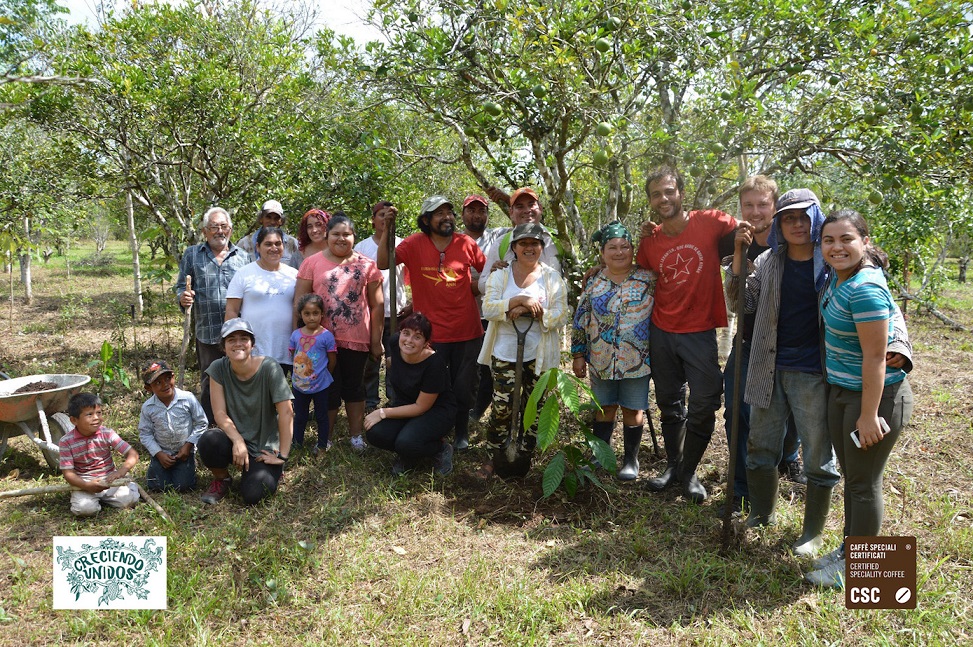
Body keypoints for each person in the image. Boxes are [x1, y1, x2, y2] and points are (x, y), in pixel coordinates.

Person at [725, 188, 843, 550]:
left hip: (814, 372)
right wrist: (738, 261)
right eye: (788, 218)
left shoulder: (832, 262)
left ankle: (812, 533)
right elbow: (740, 305)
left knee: (818, 456)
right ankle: (761, 514)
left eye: (803, 217)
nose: (796, 224)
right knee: (760, 447)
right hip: (768, 366)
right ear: (779, 223)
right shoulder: (769, 262)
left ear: (816, 219)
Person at [805, 209, 915, 589]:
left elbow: (875, 357)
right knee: (854, 478)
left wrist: (868, 415)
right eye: (829, 240)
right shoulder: (841, 280)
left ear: (864, 242)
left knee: (864, 483)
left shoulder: (864, 287)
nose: (837, 247)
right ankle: (852, 550)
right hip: (844, 391)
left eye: (846, 239)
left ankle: (862, 570)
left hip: (874, 399)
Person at [637, 165, 739, 503]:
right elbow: (636, 275)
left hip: (699, 331)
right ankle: (675, 465)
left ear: (681, 192)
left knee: (705, 401)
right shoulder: (650, 243)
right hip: (662, 329)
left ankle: (689, 470)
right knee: (668, 402)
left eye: (669, 191)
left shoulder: (710, 221)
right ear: (650, 201)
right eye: (656, 194)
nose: (663, 199)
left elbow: (751, 228)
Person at [376, 195, 486, 451]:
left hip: (466, 331)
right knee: (429, 387)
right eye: (440, 213)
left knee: (463, 386)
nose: (447, 217)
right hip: (429, 334)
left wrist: (482, 283)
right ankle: (428, 430)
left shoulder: (466, 243)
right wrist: (386, 230)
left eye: (450, 212)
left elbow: (488, 271)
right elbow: (383, 262)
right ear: (426, 220)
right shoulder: (414, 243)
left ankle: (461, 431)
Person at [477, 223, 569, 478]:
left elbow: (561, 314)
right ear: (514, 248)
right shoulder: (500, 275)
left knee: (534, 407)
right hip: (504, 351)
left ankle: (524, 458)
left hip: (538, 354)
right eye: (523, 244)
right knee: (502, 407)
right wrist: (518, 300)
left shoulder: (552, 278)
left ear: (541, 247)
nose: (529, 248)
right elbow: (489, 309)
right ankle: (496, 456)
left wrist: (530, 311)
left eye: (535, 243)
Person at [572, 222, 656, 481]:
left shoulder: (648, 277)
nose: (619, 252)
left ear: (632, 249)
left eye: (625, 246)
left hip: (638, 359)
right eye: (612, 247)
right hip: (601, 357)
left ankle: (631, 460)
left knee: (633, 409)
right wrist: (577, 354)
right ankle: (600, 455)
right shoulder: (594, 280)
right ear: (602, 252)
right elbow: (581, 318)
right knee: (604, 406)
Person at [294, 214, 384, 451]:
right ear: (327, 235)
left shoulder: (367, 265)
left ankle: (356, 436)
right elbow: (299, 302)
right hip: (319, 341)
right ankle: (327, 437)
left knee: (355, 387)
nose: (341, 238)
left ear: (354, 236)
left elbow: (377, 305)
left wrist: (376, 341)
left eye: (347, 234)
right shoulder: (311, 263)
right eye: (336, 234)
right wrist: (300, 337)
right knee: (328, 388)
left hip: (356, 339)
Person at [197, 319, 293, 506]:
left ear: (252, 344)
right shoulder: (218, 368)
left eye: (243, 338)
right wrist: (237, 440)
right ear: (223, 347)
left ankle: (271, 470)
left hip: (263, 445)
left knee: (254, 495)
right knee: (209, 440)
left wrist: (282, 455)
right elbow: (219, 413)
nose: (238, 343)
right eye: (231, 339)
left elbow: (287, 412)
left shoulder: (269, 368)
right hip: (234, 438)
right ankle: (222, 479)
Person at [175, 206, 252, 423]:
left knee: (239, 378)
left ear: (231, 229)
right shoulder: (192, 254)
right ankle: (210, 426)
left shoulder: (243, 257)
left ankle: (238, 423)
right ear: (205, 231)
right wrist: (183, 297)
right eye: (214, 227)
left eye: (224, 226)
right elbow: (181, 286)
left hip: (237, 333)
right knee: (210, 380)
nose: (220, 231)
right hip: (207, 330)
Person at [364, 312, 457, 476]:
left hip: (436, 411)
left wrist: (383, 412)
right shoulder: (395, 343)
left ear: (426, 343)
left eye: (417, 337)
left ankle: (440, 449)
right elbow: (394, 364)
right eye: (406, 333)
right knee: (375, 433)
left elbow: (421, 407)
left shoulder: (434, 364)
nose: (408, 340)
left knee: (406, 442)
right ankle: (410, 452)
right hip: (406, 404)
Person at [355, 200, 409, 411]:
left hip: (397, 311)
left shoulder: (402, 244)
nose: (385, 219)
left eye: (389, 215)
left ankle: (394, 398)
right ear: (373, 219)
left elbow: (410, 276)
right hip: (370, 311)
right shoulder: (362, 247)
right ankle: (370, 400)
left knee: (395, 358)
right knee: (372, 358)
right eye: (381, 215)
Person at [225, 226, 299, 374]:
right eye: (268, 244)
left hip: (287, 350)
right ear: (258, 247)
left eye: (278, 244)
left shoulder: (294, 275)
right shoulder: (244, 274)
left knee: (283, 395)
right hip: (253, 351)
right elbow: (231, 311)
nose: (274, 248)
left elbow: (300, 309)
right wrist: (233, 344)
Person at [59, 392, 140, 517]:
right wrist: (86, 485)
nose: (96, 418)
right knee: (84, 510)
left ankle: (127, 486)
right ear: (74, 420)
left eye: (99, 413)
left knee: (129, 500)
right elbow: (68, 473)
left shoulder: (106, 433)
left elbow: (132, 454)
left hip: (109, 480)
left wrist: (121, 472)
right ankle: (92, 500)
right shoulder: (66, 442)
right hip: (84, 483)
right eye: (89, 414)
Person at [461, 194, 503, 422]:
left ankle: (478, 410)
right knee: (464, 364)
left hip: (489, 314)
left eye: (481, 211)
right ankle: (461, 407)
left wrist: (505, 197)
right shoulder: (454, 241)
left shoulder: (498, 237)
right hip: (462, 314)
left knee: (486, 364)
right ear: (463, 214)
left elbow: (525, 224)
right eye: (471, 210)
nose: (476, 215)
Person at [477, 187, 563, 295]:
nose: (527, 210)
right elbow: (482, 286)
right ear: (511, 212)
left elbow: (574, 276)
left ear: (540, 208)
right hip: (512, 309)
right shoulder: (501, 243)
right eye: (520, 206)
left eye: (531, 204)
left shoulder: (558, 239)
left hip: (553, 309)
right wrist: (493, 275)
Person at [138, 359, 208, 492]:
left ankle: (189, 466)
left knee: (183, 487)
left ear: (173, 377)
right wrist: (158, 453)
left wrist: (188, 445)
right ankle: (158, 467)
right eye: (158, 382)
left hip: (184, 453)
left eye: (168, 378)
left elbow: (201, 423)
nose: (165, 385)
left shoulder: (187, 399)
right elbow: (145, 433)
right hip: (162, 452)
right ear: (148, 388)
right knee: (158, 486)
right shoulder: (148, 408)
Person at [290, 293, 337, 454]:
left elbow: (332, 360)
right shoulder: (295, 335)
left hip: (321, 385)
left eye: (315, 313)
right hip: (299, 385)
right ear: (301, 315)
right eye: (307, 314)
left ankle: (322, 445)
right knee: (300, 416)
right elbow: (293, 356)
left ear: (322, 314)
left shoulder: (326, 336)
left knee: (321, 416)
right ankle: (297, 443)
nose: (311, 317)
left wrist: (323, 375)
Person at [236, 199, 303, 270]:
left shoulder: (292, 243)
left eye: (276, 218)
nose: (272, 222)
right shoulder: (245, 243)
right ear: (261, 218)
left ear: (281, 221)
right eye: (268, 217)